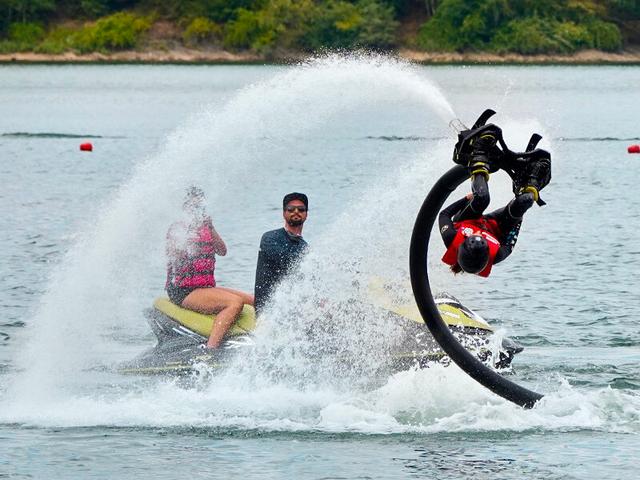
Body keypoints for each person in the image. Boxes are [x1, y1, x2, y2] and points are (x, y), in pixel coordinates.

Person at [440, 113, 551, 276]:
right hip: (495, 226)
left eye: (474, 235)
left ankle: (477, 154)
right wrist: (518, 211)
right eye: (481, 237)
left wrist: (464, 200)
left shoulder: (451, 237)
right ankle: (529, 180)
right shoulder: (498, 254)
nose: (478, 232)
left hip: (465, 219)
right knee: (526, 201)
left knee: (482, 198)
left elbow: (444, 214)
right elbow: (511, 236)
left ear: (463, 243)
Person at [165, 186, 254, 349]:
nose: (197, 211)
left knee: (256, 299)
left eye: (200, 207)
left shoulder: (206, 228)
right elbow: (173, 254)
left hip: (204, 288)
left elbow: (222, 251)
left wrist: (211, 228)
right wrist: (187, 239)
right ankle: (211, 349)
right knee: (235, 303)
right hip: (184, 291)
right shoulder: (178, 229)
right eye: (193, 207)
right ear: (185, 208)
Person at [254, 192, 309, 313]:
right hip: (269, 311)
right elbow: (288, 261)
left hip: (293, 307)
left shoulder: (304, 246)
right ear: (284, 213)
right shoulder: (270, 238)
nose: (296, 212)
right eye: (290, 209)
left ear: (306, 215)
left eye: (301, 209)